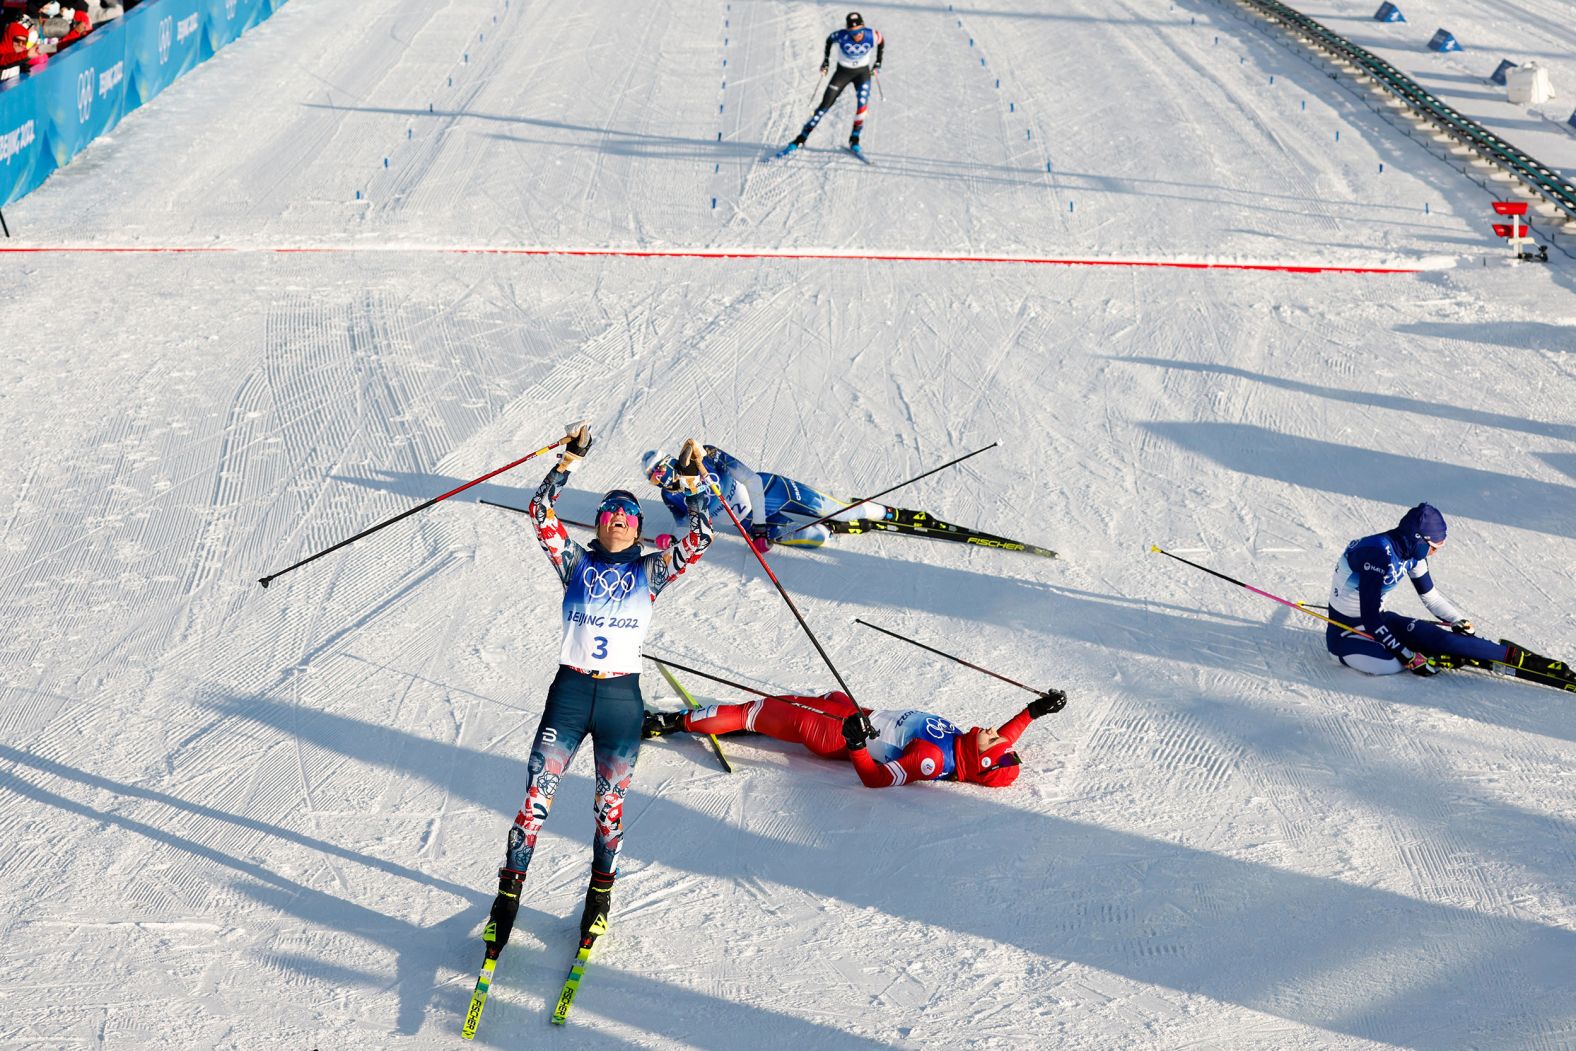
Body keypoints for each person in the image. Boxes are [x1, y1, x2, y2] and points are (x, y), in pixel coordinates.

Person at [483, 425, 714, 956]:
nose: (616, 518)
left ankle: (598, 903)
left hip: (618, 703)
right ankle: (505, 905)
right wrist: (569, 460)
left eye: (628, 515)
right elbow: (541, 513)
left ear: (638, 530)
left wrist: (689, 478)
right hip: (568, 696)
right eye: (609, 511)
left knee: (608, 809)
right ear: (599, 522)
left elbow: (700, 538)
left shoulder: (651, 572)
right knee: (534, 802)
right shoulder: (576, 565)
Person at [1326, 502, 1573, 685]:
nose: (1434, 553)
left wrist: (1457, 620)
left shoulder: (1412, 554)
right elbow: (1369, 618)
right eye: (1433, 548)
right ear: (1419, 539)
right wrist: (1409, 656)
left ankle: (1524, 660)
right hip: (1345, 632)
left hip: (1381, 621)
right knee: (1390, 664)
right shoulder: (1377, 553)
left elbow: (1430, 597)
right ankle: (1421, 652)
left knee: (1444, 639)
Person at [644, 687, 1066, 788]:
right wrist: (1035, 710)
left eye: (995, 741)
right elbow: (1009, 735)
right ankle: (743, 724)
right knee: (772, 706)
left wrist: (857, 744)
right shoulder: (963, 743)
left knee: (755, 711)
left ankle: (671, 724)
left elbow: (877, 780)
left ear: (983, 761)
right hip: (847, 709)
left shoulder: (932, 760)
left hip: (832, 732)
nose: (995, 732)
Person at [644, 444, 895, 550]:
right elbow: (685, 525)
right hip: (750, 525)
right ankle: (829, 526)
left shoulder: (705, 457)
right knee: (819, 538)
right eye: (653, 478)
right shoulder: (671, 496)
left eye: (659, 471)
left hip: (772, 493)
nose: (660, 479)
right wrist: (673, 539)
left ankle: (888, 514)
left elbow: (751, 480)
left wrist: (762, 527)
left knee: (845, 511)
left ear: (671, 462)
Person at [783, 12, 884, 155]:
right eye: (853, 32)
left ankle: (854, 139)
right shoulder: (841, 36)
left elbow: (881, 42)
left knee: (862, 105)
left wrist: (878, 62)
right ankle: (801, 137)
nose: (856, 35)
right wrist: (826, 61)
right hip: (843, 73)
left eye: (859, 31)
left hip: (862, 73)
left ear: (863, 28)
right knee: (824, 106)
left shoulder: (873, 35)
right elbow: (829, 40)